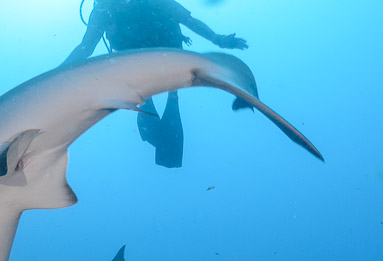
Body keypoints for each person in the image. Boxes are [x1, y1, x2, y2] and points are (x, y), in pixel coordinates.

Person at [65, 0, 248, 168]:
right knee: (146, 95)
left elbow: (187, 20)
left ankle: (169, 97)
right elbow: (86, 46)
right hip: (139, 62)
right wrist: (63, 69)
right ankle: (153, 101)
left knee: (166, 91)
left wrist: (218, 39)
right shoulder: (103, 10)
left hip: (167, 52)